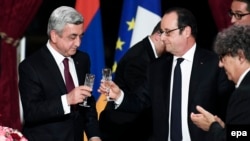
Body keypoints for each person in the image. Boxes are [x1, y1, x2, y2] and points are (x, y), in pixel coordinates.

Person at [98, 7, 235, 141]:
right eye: (162, 32)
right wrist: (119, 96)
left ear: (186, 31)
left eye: (168, 32)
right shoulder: (157, 67)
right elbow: (140, 101)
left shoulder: (214, 64)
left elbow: (229, 107)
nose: (162, 38)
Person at [18, 6, 101, 141]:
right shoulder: (30, 66)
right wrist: (67, 100)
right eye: (73, 37)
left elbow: (88, 102)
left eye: (81, 36)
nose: (78, 43)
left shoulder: (82, 59)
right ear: (54, 36)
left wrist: (94, 135)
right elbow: (32, 112)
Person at [99, 21, 165, 141]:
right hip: (122, 131)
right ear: (158, 36)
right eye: (169, 36)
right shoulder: (139, 59)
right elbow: (140, 99)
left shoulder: (149, 55)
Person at [191, 25, 250, 141]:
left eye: (222, 57)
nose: (220, 65)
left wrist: (212, 126)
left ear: (241, 57)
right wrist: (222, 128)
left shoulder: (243, 93)